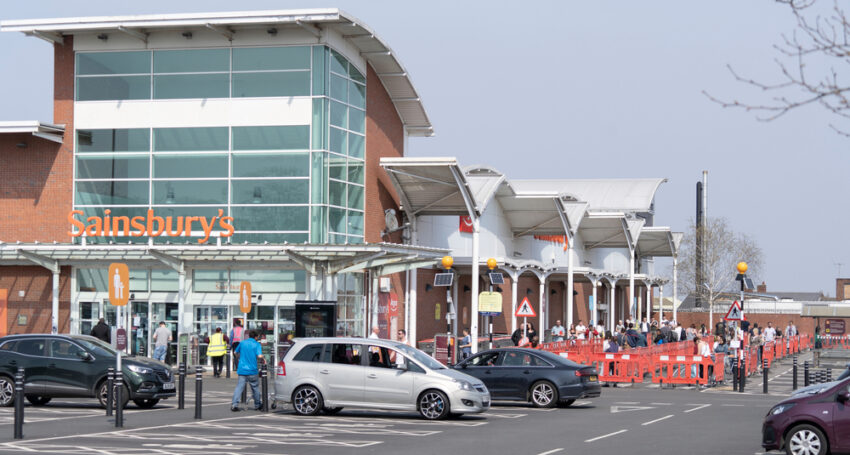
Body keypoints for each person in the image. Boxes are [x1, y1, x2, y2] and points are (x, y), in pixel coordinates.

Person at [231, 330, 263, 411]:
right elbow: (259, 356)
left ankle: (234, 404)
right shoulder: (257, 344)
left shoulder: (242, 343)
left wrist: (239, 357)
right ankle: (257, 404)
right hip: (252, 370)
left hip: (242, 369)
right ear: (256, 337)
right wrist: (264, 358)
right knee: (255, 387)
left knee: (239, 387)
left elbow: (235, 352)